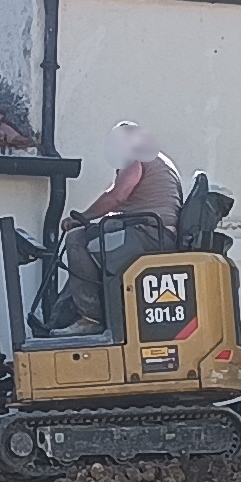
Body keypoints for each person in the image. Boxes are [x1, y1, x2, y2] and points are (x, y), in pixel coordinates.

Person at [54, 122, 182, 334]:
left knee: (76, 240)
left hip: (146, 235)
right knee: (92, 247)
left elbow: (117, 196)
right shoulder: (160, 160)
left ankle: (90, 318)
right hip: (156, 233)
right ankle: (67, 315)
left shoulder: (135, 157)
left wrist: (81, 218)